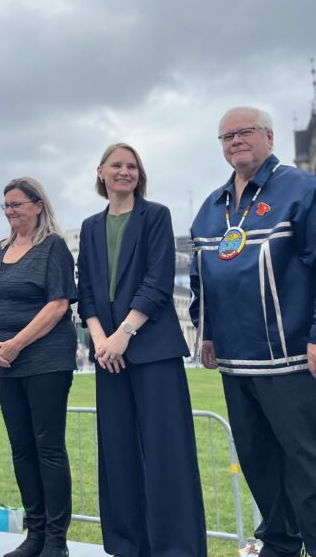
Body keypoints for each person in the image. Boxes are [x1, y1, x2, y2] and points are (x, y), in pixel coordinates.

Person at [190, 107, 316, 557]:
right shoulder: (212, 208)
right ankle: (281, 545)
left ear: (268, 136)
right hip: (237, 362)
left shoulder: (303, 191)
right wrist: (206, 331)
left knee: (311, 465)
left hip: (295, 360)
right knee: (259, 463)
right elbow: (202, 276)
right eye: (225, 136)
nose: (234, 141)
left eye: (244, 132)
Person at [77, 143, 207, 557]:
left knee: (167, 452)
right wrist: (101, 339)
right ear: (101, 172)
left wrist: (123, 334)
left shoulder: (156, 217)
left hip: (151, 351)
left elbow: (157, 281)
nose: (125, 172)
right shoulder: (90, 227)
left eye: (132, 166)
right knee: (117, 452)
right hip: (107, 356)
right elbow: (87, 293)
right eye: (116, 165)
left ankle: (176, 548)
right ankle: (126, 545)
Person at [0, 177, 77, 557]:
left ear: (38, 205)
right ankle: (34, 533)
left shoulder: (53, 248)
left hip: (46, 360)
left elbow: (58, 305)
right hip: (6, 361)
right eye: (6, 205)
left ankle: (56, 539)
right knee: (21, 448)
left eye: (16, 204)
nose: (10, 211)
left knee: (48, 446)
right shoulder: (1, 249)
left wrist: (18, 343)